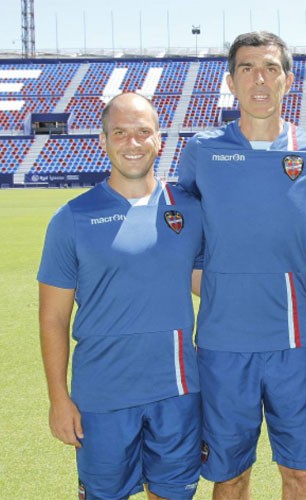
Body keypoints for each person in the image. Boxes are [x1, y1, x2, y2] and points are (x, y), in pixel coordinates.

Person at [177, 31, 306, 499]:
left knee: (300, 474)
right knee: (229, 476)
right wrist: (212, 281)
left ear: (288, 80)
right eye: (248, 68)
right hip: (222, 345)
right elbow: (179, 229)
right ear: (231, 82)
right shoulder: (203, 149)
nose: (260, 78)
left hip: (297, 345)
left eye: (271, 68)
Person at [38, 92, 204, 499]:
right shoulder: (72, 218)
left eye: (143, 132)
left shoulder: (190, 209)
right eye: (120, 132)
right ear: (103, 139)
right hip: (103, 398)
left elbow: (210, 283)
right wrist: (59, 399)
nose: (133, 142)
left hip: (178, 392)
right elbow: (53, 318)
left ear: (159, 139)